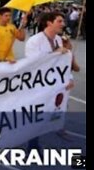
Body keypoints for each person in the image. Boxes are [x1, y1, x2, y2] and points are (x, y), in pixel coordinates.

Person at [24, 12, 75, 153]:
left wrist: (69, 77)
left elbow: (63, 64)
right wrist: (56, 53)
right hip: (38, 85)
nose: (63, 24)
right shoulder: (34, 41)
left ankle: (55, 128)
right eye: (59, 21)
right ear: (49, 23)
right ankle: (32, 145)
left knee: (54, 108)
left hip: (54, 84)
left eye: (63, 21)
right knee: (37, 115)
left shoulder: (59, 40)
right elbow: (33, 63)